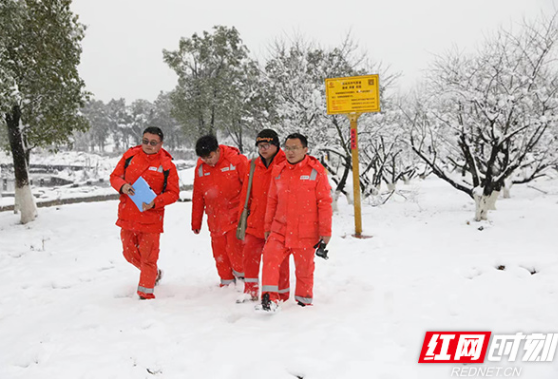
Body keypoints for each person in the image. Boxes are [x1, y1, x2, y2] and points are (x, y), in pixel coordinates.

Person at [258, 133, 333, 312]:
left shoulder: (316, 172)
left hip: (306, 232)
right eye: (288, 148)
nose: (290, 152)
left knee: (304, 270)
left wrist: (326, 232)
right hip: (280, 229)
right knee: (270, 259)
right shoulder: (279, 171)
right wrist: (268, 227)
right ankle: (269, 299)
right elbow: (272, 201)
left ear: (305, 150)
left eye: (295, 148)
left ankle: (303, 304)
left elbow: (324, 203)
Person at [110, 126, 180, 300]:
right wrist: (122, 186)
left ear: (161, 144)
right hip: (128, 215)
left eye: (153, 142)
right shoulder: (130, 156)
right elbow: (114, 176)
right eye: (145, 141)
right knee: (129, 253)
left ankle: (145, 294)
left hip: (151, 218)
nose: (148, 145)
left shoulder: (167, 165)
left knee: (148, 257)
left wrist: (155, 202)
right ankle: (154, 273)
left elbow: (173, 193)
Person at [236, 129, 289, 303]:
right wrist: (241, 219)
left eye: (267, 145)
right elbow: (246, 195)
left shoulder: (287, 162)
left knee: (278, 261)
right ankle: (250, 291)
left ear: (276, 145)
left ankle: (281, 294)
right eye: (260, 145)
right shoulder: (253, 165)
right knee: (249, 256)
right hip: (255, 221)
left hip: (277, 223)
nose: (263, 149)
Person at [192, 135, 248, 286]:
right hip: (214, 219)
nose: (207, 161)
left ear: (217, 150)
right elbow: (198, 195)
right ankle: (226, 284)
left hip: (235, 216)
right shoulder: (200, 168)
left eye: (209, 156)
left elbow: (249, 188)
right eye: (203, 158)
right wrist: (196, 221)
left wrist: (248, 213)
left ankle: (244, 281)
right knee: (219, 254)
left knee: (235, 251)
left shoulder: (236, 161)